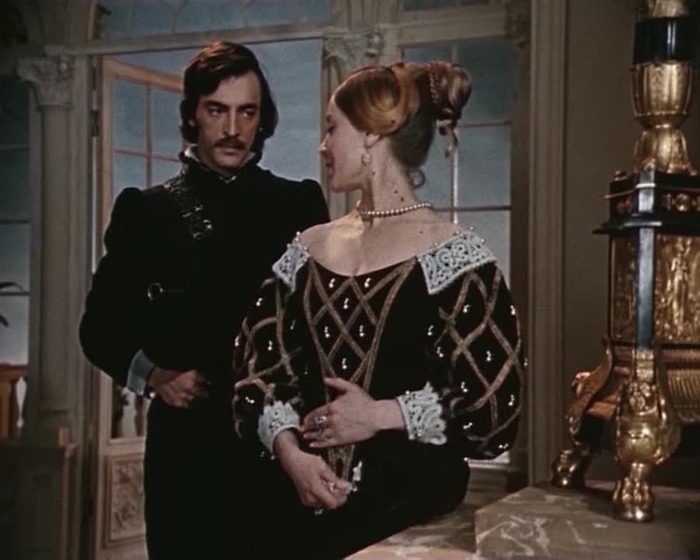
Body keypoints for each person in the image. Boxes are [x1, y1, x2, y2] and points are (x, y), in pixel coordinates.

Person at [232, 60, 524, 558]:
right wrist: (291, 455)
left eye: (332, 128)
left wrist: (379, 415)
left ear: (371, 133)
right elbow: (257, 370)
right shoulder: (306, 249)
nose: (322, 145)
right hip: (293, 515)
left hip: (408, 521)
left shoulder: (455, 257)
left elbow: (493, 407)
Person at [79, 41, 329, 559]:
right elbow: (98, 327)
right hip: (187, 456)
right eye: (217, 110)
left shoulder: (297, 204)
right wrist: (154, 376)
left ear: (261, 119)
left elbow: (320, 326)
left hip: (280, 450)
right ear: (193, 114)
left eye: (247, 112)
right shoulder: (146, 212)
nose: (233, 129)